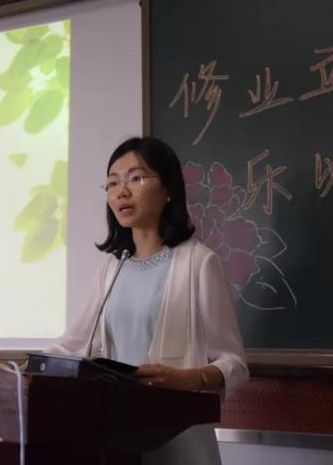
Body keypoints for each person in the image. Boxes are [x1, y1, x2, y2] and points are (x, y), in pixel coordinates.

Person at [45, 136, 249, 465]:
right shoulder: (112, 268)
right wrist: (22, 371)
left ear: (168, 190)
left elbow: (234, 364)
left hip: (180, 433)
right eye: (113, 183)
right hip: (119, 436)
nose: (121, 192)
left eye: (135, 179)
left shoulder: (199, 263)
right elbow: (73, 346)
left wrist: (187, 379)